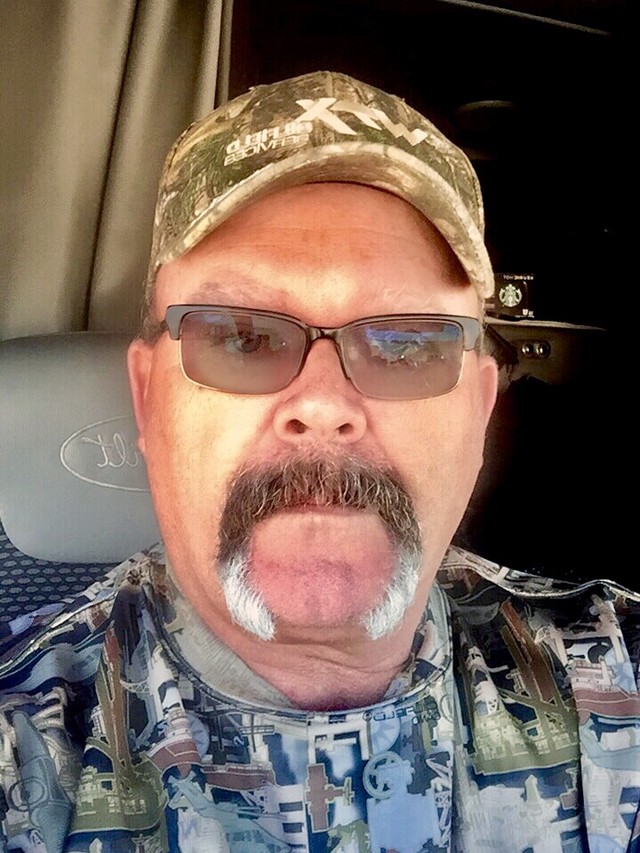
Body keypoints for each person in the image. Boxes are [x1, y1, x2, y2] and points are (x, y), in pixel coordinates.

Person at [0, 71, 638, 853]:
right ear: (149, 402)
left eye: (405, 342)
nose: (325, 402)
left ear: (478, 412)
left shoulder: (614, 674)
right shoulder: (22, 748)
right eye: (242, 335)